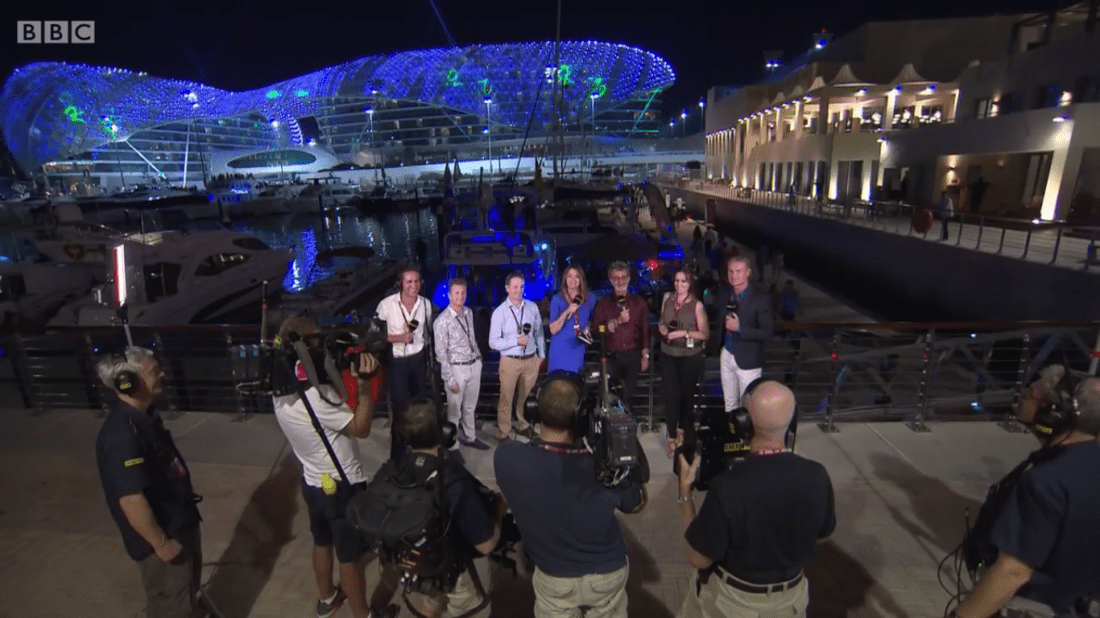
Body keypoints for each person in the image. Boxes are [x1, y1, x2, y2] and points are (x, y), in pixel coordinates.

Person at [676, 381, 835, 618]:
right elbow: (823, 534)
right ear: (790, 421)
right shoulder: (817, 475)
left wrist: (685, 492)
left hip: (734, 603)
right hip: (791, 599)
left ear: (744, 423)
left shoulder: (728, 486)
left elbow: (698, 558)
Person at [494, 373, 646, 618]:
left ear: (533, 409)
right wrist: (620, 439)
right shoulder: (605, 467)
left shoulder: (507, 456)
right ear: (581, 415)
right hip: (606, 574)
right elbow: (635, 503)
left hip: (554, 578)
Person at [952, 370, 1100, 618]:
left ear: (1053, 414)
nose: (1023, 396)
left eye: (1031, 393)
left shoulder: (1046, 482)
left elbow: (1013, 571)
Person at [272, 316, 378, 618]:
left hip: (315, 481)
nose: (323, 346)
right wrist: (365, 387)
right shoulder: (319, 399)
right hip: (339, 485)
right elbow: (360, 427)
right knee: (350, 554)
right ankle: (363, 614)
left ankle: (327, 598)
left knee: (322, 538)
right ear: (304, 347)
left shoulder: (281, 394)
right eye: (318, 341)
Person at [95, 347, 204, 618]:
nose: (162, 374)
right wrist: (162, 544)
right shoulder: (122, 436)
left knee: (187, 598)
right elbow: (131, 499)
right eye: (154, 371)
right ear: (129, 383)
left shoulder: (145, 417)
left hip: (181, 526)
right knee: (172, 607)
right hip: (166, 541)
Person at [391, 400, 507, 618]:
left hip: (421, 562)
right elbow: (486, 545)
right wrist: (498, 512)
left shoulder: (396, 472)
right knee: (473, 607)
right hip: (459, 572)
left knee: (433, 602)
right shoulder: (453, 481)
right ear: (445, 432)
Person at [376, 265, 434, 459]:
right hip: (397, 362)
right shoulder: (386, 305)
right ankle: (398, 452)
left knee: (419, 404)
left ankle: (420, 446)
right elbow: (375, 336)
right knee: (399, 406)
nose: (413, 285)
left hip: (418, 358)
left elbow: (428, 333)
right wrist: (398, 338)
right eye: (409, 281)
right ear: (400, 283)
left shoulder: (425, 305)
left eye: (416, 281)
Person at [433, 278, 490, 455]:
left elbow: (471, 338)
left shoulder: (468, 313)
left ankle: (470, 437)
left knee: (470, 407)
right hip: (456, 368)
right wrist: (449, 378)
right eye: (457, 293)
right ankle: (453, 445)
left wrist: (479, 359)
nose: (460, 296)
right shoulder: (441, 321)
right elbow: (440, 353)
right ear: (450, 295)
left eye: (463, 293)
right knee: (454, 410)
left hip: (473, 365)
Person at [659, 268, 709, 459]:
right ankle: (671, 436)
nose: (679, 285)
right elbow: (662, 321)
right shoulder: (667, 298)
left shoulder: (697, 305)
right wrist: (663, 328)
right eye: (677, 281)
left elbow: (704, 334)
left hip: (690, 356)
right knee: (671, 396)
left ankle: (685, 435)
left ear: (690, 284)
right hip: (667, 354)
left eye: (684, 282)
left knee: (687, 398)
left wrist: (684, 333)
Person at [714, 256, 774, 413]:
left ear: (748, 272)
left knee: (748, 406)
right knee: (729, 403)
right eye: (731, 271)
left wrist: (740, 329)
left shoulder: (761, 299)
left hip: (748, 361)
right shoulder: (725, 294)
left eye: (738, 271)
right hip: (726, 355)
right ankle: (732, 434)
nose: (734, 275)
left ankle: (747, 438)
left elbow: (767, 333)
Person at [488, 271, 544, 441]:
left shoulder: (532, 307)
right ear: (507, 288)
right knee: (506, 398)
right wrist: (515, 340)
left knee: (525, 397)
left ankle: (523, 425)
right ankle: (504, 431)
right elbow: (493, 342)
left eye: (521, 286)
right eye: (515, 287)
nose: (518, 290)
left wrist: (541, 355)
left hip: (530, 360)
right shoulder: (499, 312)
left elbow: (539, 333)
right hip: (510, 361)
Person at [591, 261, 651, 410]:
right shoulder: (603, 305)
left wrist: (646, 356)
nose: (620, 281)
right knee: (611, 395)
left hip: (633, 356)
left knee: (627, 395)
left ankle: (626, 428)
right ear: (611, 280)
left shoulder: (639, 303)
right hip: (611, 357)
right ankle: (614, 428)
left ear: (629, 279)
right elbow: (595, 329)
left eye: (623, 277)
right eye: (616, 278)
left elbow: (645, 331)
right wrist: (616, 321)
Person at [547, 265, 594, 375]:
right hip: (559, 350)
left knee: (574, 385)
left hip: (577, 349)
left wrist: (587, 331)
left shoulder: (590, 298)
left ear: (581, 279)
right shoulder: (557, 299)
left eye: (577, 277)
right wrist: (567, 311)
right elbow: (553, 330)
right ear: (565, 279)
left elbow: (590, 320)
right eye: (569, 276)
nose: (573, 280)